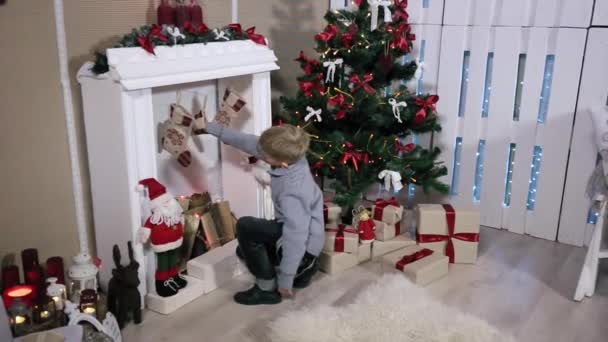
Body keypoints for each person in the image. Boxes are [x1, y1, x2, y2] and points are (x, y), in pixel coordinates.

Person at [202, 120, 325, 305]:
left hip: (302, 244)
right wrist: (211, 128)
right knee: (242, 250)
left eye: (265, 155)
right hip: (307, 239)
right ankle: (303, 271)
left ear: (282, 162)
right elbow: (251, 143)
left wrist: (286, 279)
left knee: (245, 226)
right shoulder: (295, 154)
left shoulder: (293, 191)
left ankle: (267, 289)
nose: (260, 153)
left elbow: (296, 236)